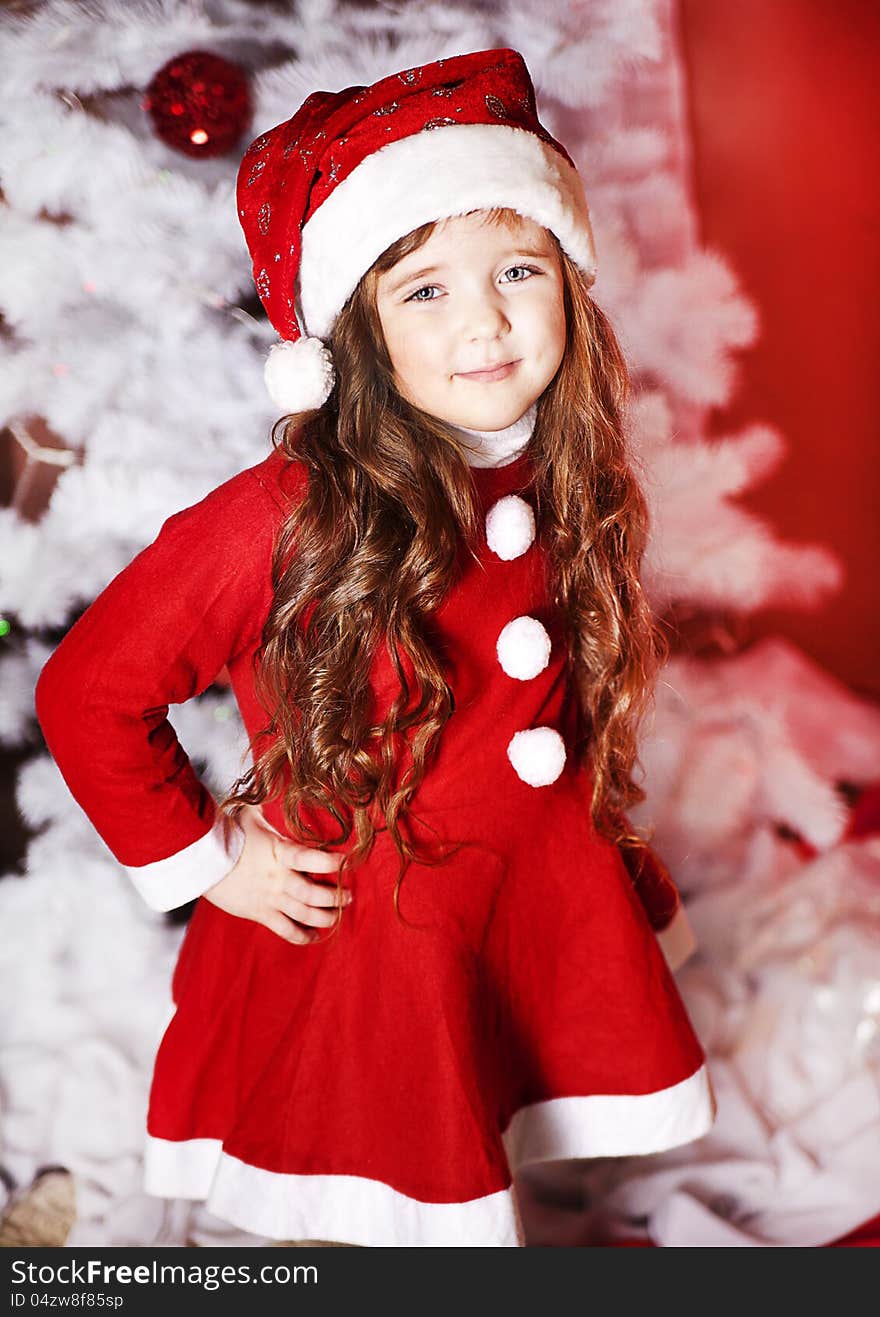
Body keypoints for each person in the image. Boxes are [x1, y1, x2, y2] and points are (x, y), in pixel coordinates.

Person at [34, 47, 716, 1248]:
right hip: (375, 932)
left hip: (521, 892)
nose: (487, 322)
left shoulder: (560, 463)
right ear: (353, 333)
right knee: (377, 1167)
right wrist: (208, 861)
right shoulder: (285, 513)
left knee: (489, 1100)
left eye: (517, 269)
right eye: (425, 292)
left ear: (570, 280)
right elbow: (88, 689)